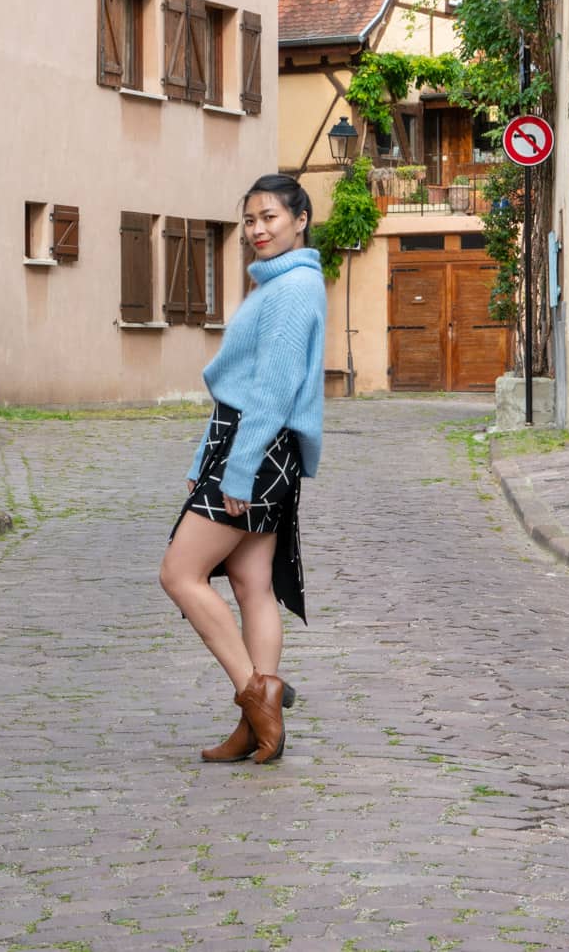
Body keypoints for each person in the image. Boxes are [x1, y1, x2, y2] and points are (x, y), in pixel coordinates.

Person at [160, 173, 327, 765]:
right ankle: (257, 728)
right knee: (254, 587)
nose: (257, 229)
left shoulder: (291, 290)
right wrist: (201, 457)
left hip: (253, 449)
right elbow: (240, 386)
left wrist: (234, 471)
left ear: (300, 219)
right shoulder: (279, 285)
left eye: (270, 218)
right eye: (250, 220)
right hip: (253, 445)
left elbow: (272, 391)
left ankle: (258, 697)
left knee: (180, 574)